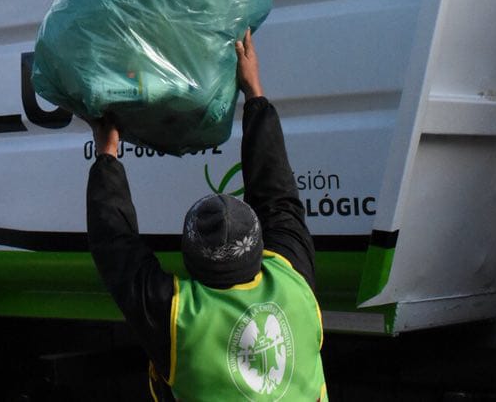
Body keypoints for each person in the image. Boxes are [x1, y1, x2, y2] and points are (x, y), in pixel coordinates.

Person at [86, 29, 326, 400]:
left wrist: (107, 150)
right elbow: (279, 195)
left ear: (190, 264)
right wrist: (254, 92)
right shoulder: (292, 281)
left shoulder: (179, 318)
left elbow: (114, 244)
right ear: (260, 247)